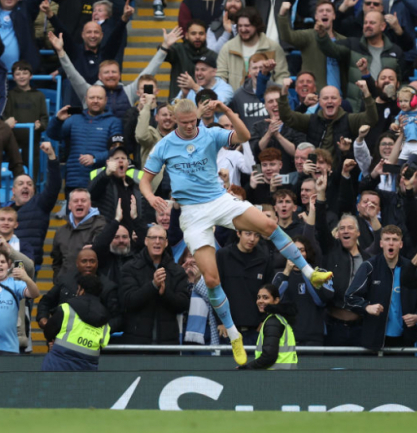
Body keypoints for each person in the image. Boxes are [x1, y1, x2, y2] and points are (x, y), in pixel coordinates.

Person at [139, 99, 332, 365]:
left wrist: (227, 111)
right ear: (173, 120)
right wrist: (151, 199)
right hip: (193, 215)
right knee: (212, 280)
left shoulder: (210, 133)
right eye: (182, 123)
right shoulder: (164, 145)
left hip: (219, 200)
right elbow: (145, 180)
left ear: (197, 117)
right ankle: (233, 336)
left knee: (268, 225)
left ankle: (311, 273)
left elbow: (244, 136)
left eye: (192, 122)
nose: (188, 127)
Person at [346, 225, 417, 351]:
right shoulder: (369, 266)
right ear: (381, 243)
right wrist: (367, 307)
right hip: (375, 340)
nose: (391, 243)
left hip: (405, 340)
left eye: (395, 240)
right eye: (387, 239)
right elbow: (350, 297)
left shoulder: (410, 269)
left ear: (400, 244)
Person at [119, 224, 190, 345]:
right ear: (146, 241)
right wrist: (152, 286)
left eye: (161, 238)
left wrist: (165, 293)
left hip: (168, 343)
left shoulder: (176, 271)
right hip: (137, 342)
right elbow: (127, 301)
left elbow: (183, 305)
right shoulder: (130, 268)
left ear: (166, 243)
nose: (157, 242)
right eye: (153, 238)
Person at [46, 89, 123, 195]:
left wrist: (95, 158)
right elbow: (53, 134)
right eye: (92, 98)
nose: (95, 101)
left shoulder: (114, 122)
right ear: (86, 99)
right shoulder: (74, 118)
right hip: (74, 180)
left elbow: (116, 151)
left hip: (101, 181)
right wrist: (58, 120)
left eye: (99, 98)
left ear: (106, 100)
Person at [41, 275, 110, 371]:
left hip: (59, 361)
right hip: (88, 367)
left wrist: (52, 340)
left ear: (82, 290)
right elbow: (103, 343)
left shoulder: (66, 308)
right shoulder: (105, 318)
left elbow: (49, 330)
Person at [216, 7, 289, 90]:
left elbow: (282, 76)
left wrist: (274, 95)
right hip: (236, 100)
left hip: (266, 99)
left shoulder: (273, 47)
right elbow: (221, 77)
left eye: (247, 26)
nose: (243, 29)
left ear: (256, 25)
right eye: (240, 26)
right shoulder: (228, 48)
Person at [50, 188, 108, 282]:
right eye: (75, 201)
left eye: (83, 201)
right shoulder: (61, 231)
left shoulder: (101, 227)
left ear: (89, 205)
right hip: (65, 286)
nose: (79, 203)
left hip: (91, 285)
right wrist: (58, 280)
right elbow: (56, 261)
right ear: (69, 206)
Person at [238, 284, 298, 370]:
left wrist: (248, 367)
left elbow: (269, 356)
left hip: (274, 376)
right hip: (284, 374)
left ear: (276, 300)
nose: (260, 301)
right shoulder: (280, 318)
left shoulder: (273, 321)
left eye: (265, 298)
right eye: (258, 297)